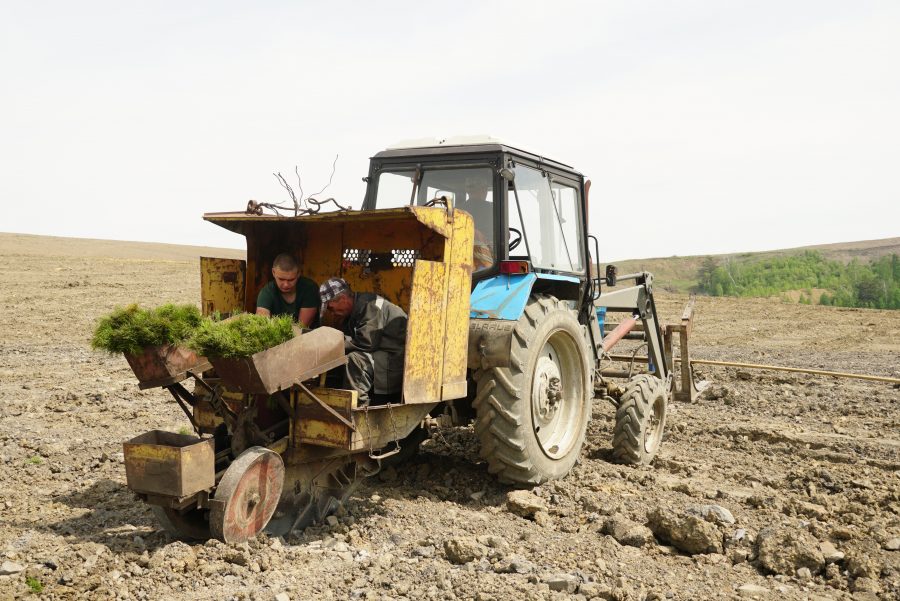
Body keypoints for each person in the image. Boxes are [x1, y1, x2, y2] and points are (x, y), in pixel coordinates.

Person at [319, 277, 407, 406]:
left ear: (343, 299)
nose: (332, 313)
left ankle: (359, 410)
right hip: (382, 354)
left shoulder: (370, 305)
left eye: (331, 308)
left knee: (355, 360)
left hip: (397, 359)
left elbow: (367, 342)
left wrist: (333, 346)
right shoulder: (355, 309)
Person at [255, 253, 319, 326]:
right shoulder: (266, 292)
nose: (286, 285)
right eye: (281, 279)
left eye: (291, 280)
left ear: (298, 273)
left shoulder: (309, 289)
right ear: (273, 272)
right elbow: (262, 324)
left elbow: (301, 327)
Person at [461, 177, 494, 270]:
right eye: (485, 188)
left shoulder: (458, 210)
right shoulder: (492, 208)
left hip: (461, 256)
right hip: (488, 259)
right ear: (483, 190)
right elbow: (506, 235)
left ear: (468, 191)